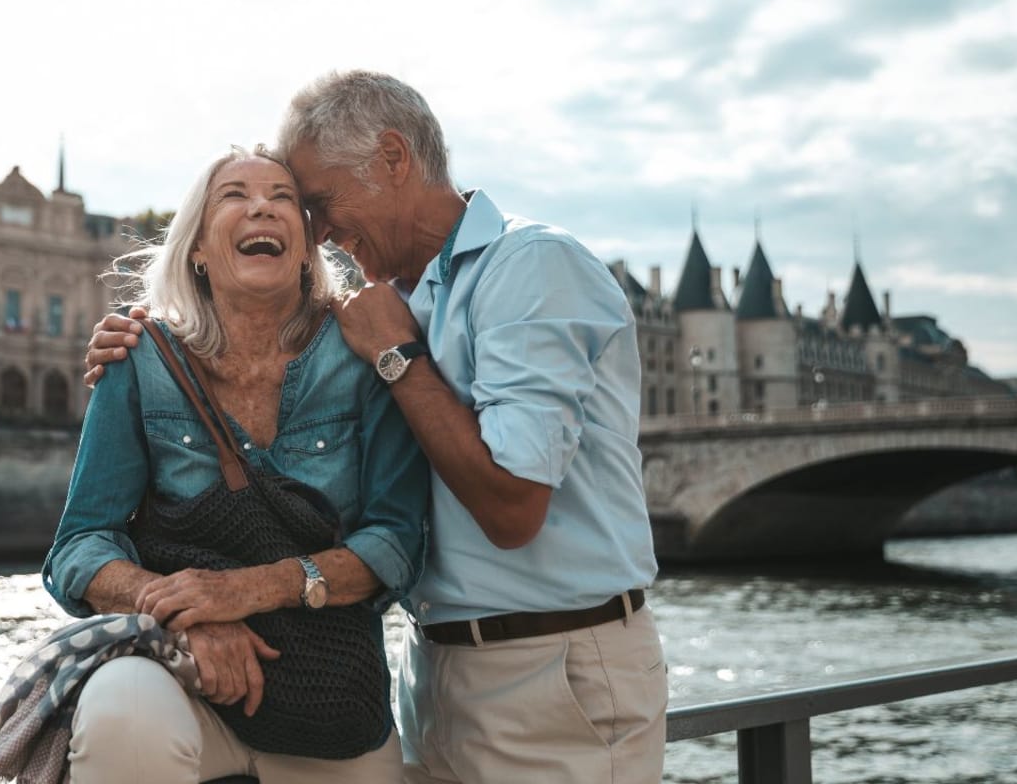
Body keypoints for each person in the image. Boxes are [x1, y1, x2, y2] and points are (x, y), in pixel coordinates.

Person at [86, 73, 667, 784]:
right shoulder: (393, 301)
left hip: (555, 670)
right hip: (436, 672)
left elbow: (513, 508)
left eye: (316, 203)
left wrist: (398, 358)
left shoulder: (532, 266)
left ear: (393, 159)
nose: (318, 231)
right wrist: (136, 349)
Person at [44, 145, 429, 784]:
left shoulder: (365, 354)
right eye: (234, 195)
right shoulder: (141, 357)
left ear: (308, 247)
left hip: (331, 692)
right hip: (180, 676)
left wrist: (239, 593)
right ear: (196, 248)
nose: (261, 207)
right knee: (120, 718)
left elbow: (395, 545)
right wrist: (177, 614)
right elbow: (78, 546)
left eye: (283, 198)